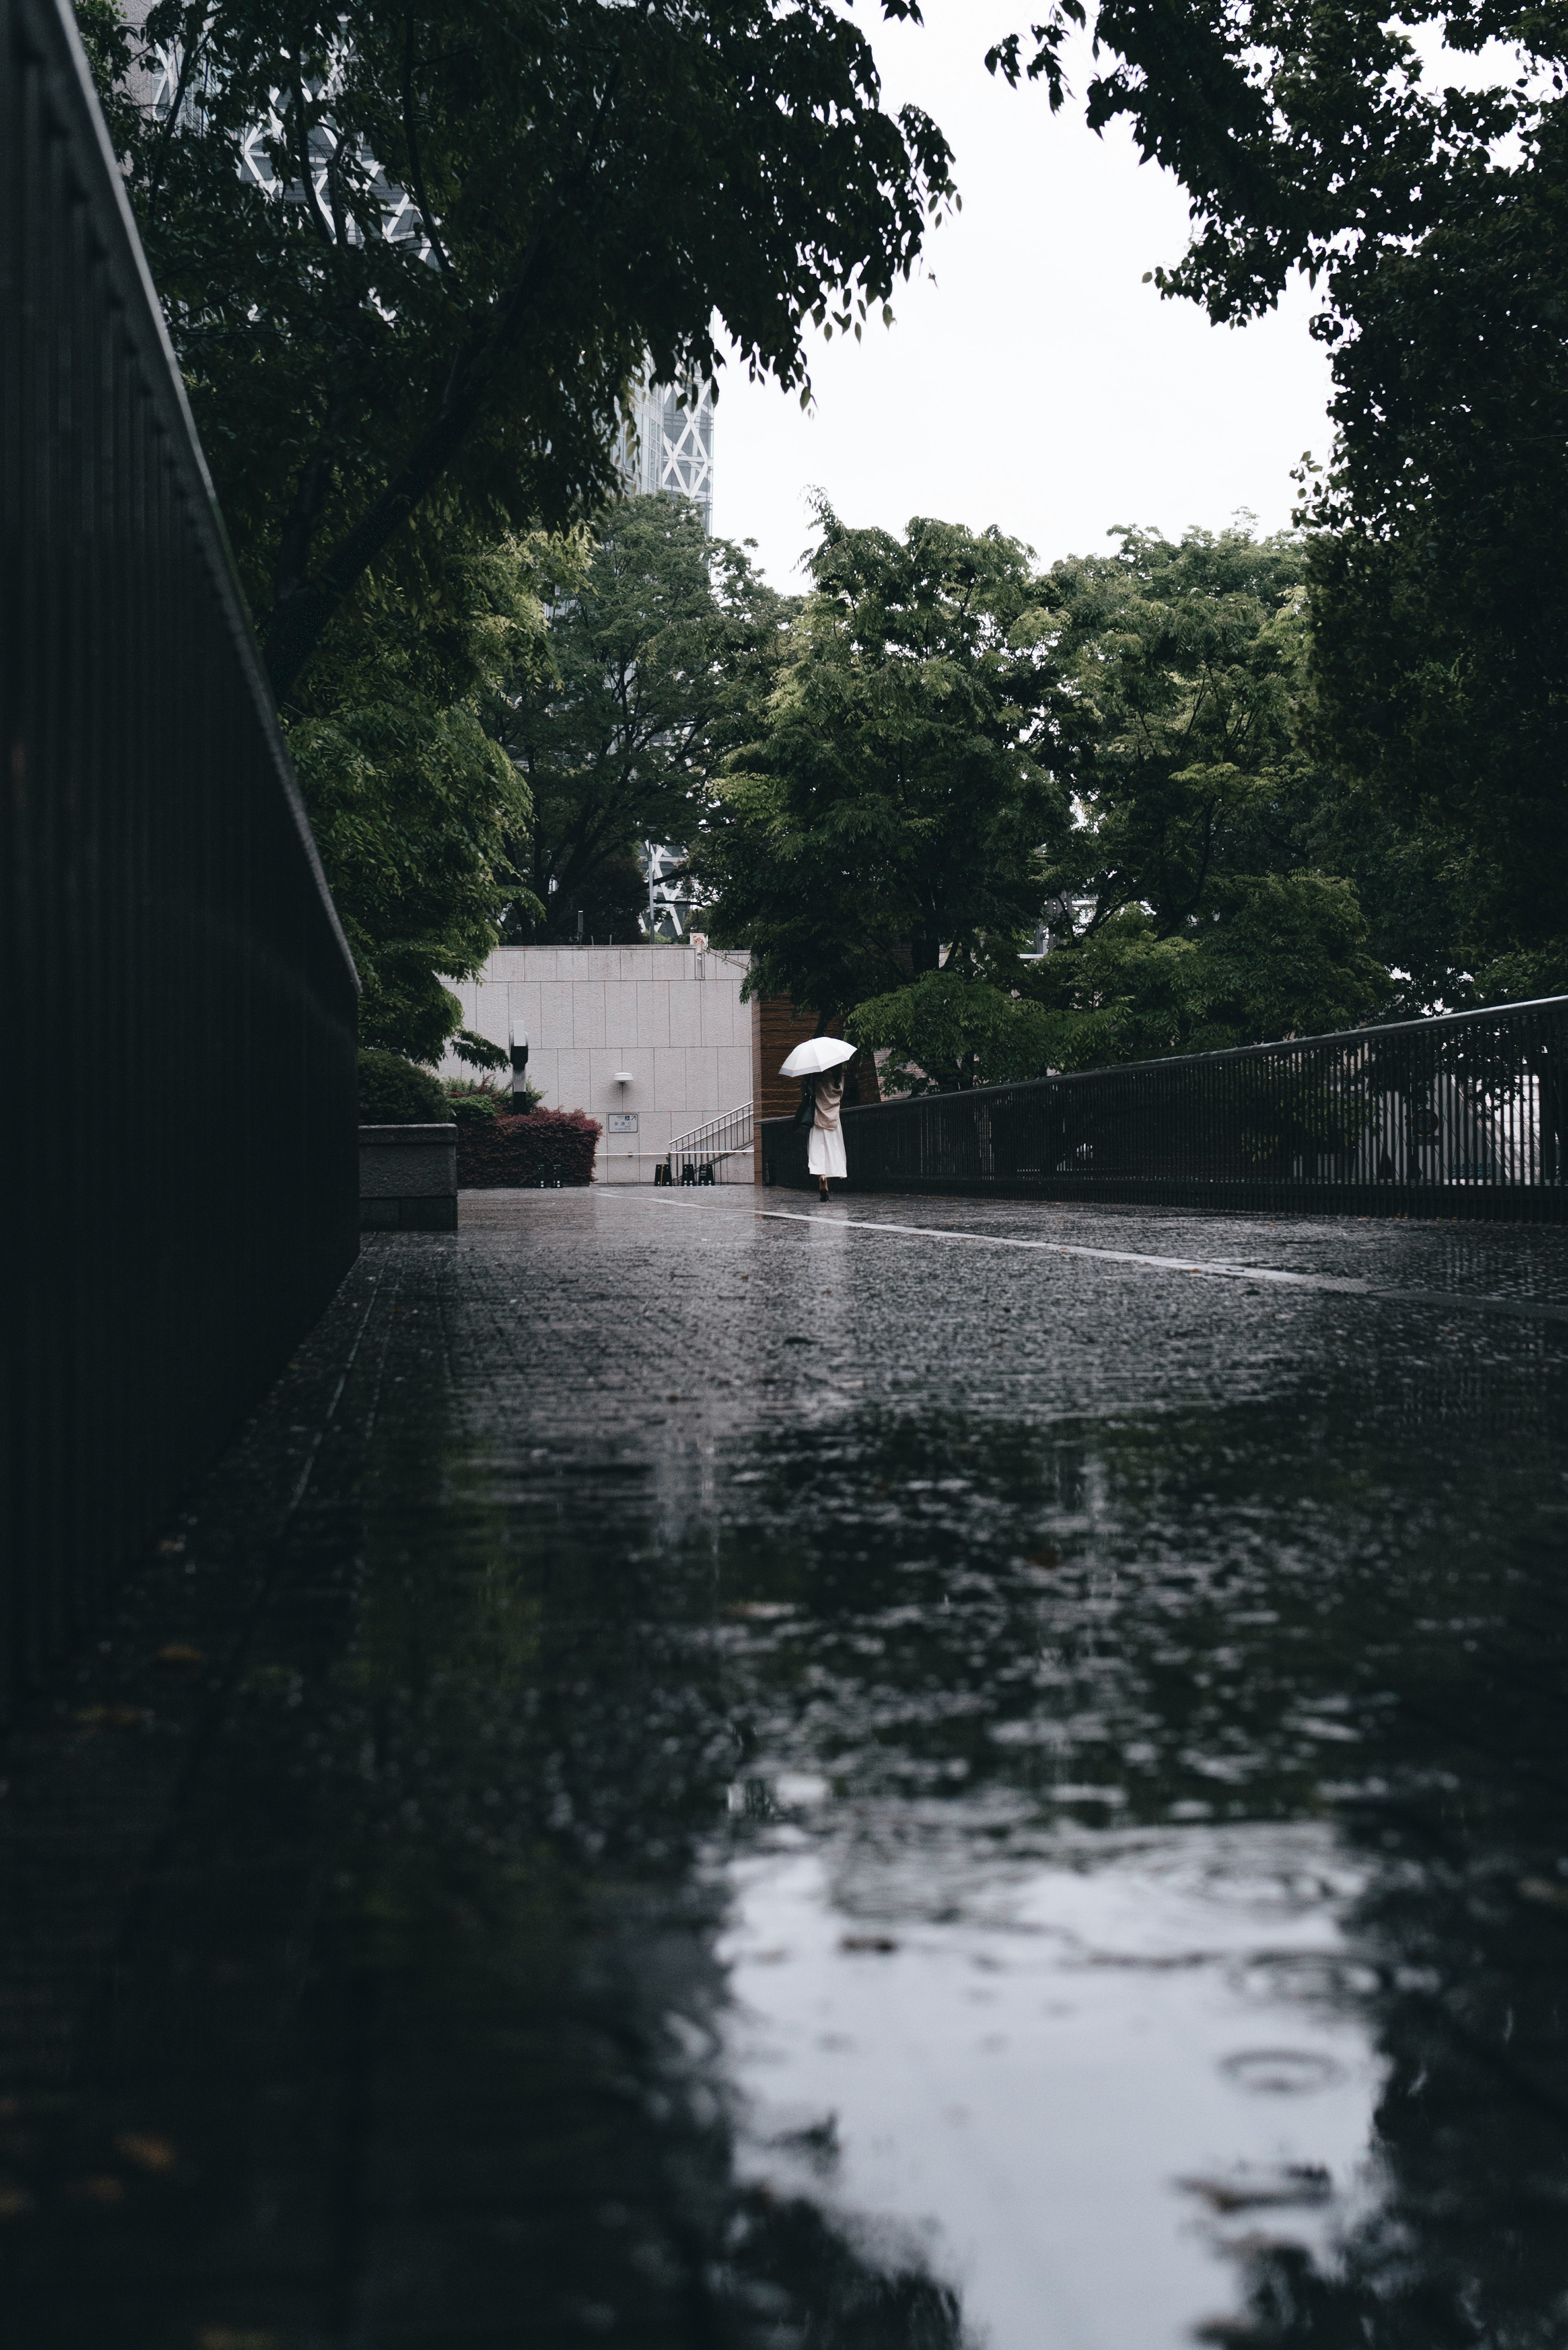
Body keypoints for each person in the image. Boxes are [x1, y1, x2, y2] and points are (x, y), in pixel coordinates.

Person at [808, 1066, 846, 1200]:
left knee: (817, 1152)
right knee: (833, 1153)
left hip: (817, 1118)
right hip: (834, 1121)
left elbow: (806, 1094)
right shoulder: (838, 1078)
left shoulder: (815, 1077)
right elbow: (841, 1096)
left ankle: (821, 1177)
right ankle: (827, 1182)